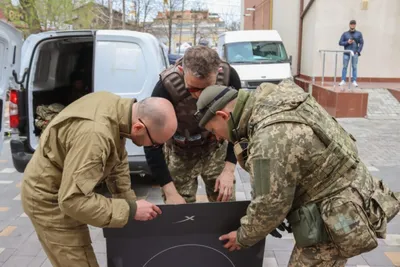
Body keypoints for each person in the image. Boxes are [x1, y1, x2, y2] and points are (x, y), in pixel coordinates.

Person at [194, 79, 400, 266]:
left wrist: (243, 236)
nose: (218, 138)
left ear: (223, 115)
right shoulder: (275, 96)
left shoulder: (268, 140)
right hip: (354, 191)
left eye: (214, 131)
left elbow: (270, 206)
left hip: (337, 217)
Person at [21, 91, 178, 267]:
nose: (155, 147)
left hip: (64, 187)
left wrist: (129, 201)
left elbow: (117, 160)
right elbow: (72, 201)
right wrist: (130, 210)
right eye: (156, 143)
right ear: (138, 128)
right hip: (47, 199)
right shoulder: (95, 135)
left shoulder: (118, 110)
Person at [144, 45, 242, 204]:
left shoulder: (229, 77)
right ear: (182, 71)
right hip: (180, 153)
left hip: (216, 150)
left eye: (208, 88)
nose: (200, 96)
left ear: (217, 73)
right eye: (193, 89)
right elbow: (150, 142)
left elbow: (238, 126)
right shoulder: (166, 87)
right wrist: (169, 192)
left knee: (225, 207)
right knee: (179, 214)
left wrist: (229, 170)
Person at [338, 20, 364, 87]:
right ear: (349, 25)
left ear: (355, 25)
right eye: (351, 24)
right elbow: (340, 42)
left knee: (354, 67)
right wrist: (347, 42)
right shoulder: (345, 34)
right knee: (344, 67)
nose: (352, 25)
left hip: (354, 53)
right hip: (346, 53)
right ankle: (343, 80)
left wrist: (358, 51)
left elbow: (361, 43)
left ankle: (354, 81)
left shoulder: (359, 33)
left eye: (354, 24)